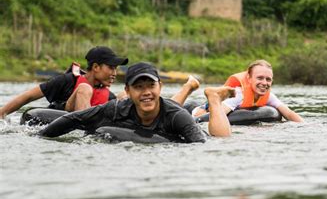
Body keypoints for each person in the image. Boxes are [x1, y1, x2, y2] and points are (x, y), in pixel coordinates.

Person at [39, 62, 234, 142]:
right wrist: (41, 137)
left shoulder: (177, 116)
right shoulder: (114, 109)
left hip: (187, 129)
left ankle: (214, 100)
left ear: (160, 87)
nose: (146, 92)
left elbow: (203, 146)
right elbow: (73, 119)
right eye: (139, 87)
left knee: (220, 139)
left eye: (151, 86)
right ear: (127, 91)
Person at [0, 46, 128, 119]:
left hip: (89, 130)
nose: (115, 73)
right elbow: (28, 96)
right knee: (84, 88)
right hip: (53, 120)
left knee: (123, 96)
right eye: (111, 68)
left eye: (116, 69)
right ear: (95, 67)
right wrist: (1, 114)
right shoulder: (67, 80)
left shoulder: (108, 96)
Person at [192, 60, 303, 122]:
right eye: (260, 78)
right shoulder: (238, 95)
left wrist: (305, 125)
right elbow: (218, 114)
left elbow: (288, 113)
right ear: (249, 78)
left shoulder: (269, 96)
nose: (264, 83)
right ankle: (189, 86)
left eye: (268, 79)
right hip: (201, 111)